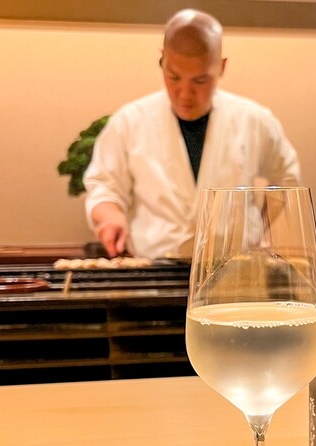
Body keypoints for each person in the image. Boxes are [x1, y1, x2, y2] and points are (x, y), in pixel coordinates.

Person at [83, 9, 300, 259]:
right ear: (162, 60)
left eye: (200, 80)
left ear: (221, 67)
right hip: (154, 266)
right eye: (173, 77)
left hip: (232, 267)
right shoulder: (128, 121)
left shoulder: (255, 121)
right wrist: (111, 215)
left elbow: (286, 179)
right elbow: (104, 185)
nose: (185, 93)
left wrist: (262, 232)